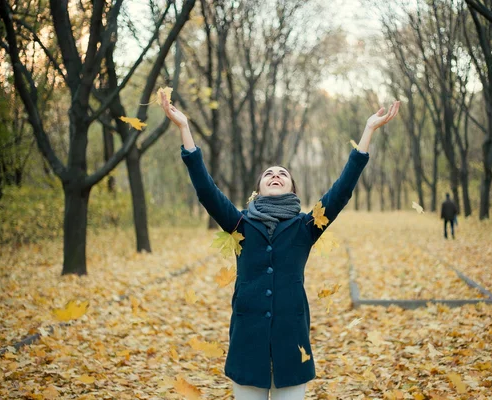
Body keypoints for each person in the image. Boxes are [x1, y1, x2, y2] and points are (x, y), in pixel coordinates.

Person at [160, 91, 400, 400]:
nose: (276, 175)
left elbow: (341, 190)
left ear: (291, 187)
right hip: (247, 343)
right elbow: (206, 190)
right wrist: (184, 129)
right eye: (269, 174)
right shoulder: (240, 224)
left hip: (292, 345)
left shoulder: (305, 226)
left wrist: (367, 131)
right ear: (258, 189)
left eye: (282, 174)